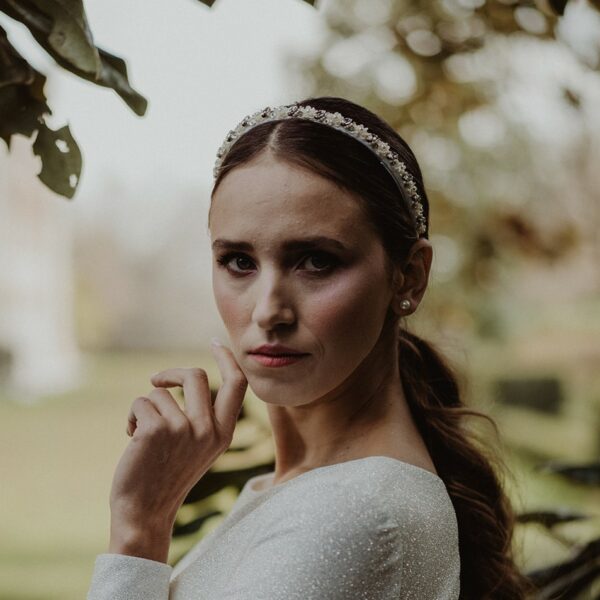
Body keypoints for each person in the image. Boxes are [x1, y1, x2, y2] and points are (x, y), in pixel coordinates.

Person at [87, 96, 533, 599]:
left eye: (316, 261)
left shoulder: (350, 516)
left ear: (410, 275)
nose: (267, 311)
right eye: (239, 261)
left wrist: (139, 528)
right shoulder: (300, 489)